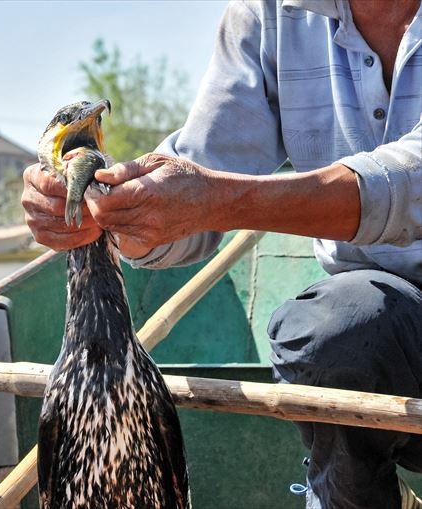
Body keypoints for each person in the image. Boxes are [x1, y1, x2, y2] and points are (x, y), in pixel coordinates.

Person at [22, 1, 422, 508]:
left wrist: (223, 200)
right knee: (336, 328)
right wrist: (121, 213)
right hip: (388, 324)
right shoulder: (271, 12)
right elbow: (199, 167)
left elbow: (413, 179)